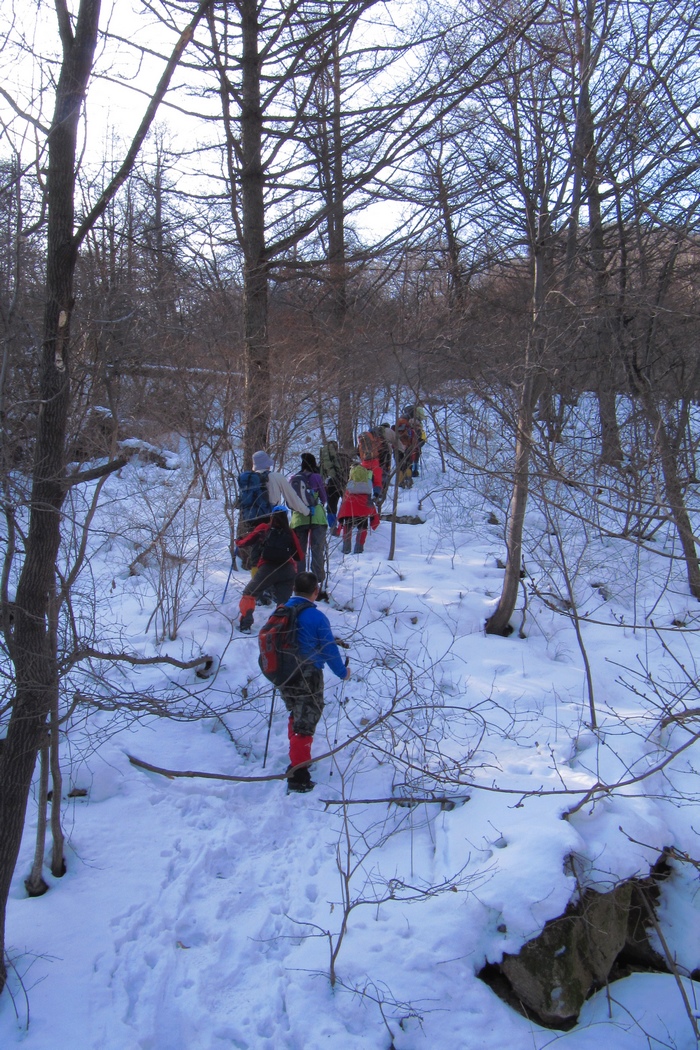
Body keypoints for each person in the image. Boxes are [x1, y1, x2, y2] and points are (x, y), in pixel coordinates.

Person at [280, 571, 350, 793]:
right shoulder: (316, 617)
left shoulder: (281, 611)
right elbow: (329, 649)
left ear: (293, 589)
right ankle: (298, 774)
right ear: (315, 592)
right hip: (308, 674)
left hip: (284, 674)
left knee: (296, 714)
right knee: (305, 723)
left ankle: (297, 758)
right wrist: (342, 672)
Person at [235, 450, 309, 572]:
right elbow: (293, 500)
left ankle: (257, 581)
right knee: (274, 551)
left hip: (252, 520)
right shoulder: (276, 477)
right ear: (267, 464)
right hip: (273, 520)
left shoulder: (249, 480)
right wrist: (306, 511)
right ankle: (274, 580)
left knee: (257, 552)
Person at [235, 507, 304, 632]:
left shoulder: (264, 528)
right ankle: (280, 628)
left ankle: (246, 625)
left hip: (267, 569)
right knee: (284, 602)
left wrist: (238, 541)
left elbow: (246, 542)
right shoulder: (289, 532)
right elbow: (299, 556)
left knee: (249, 593)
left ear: (272, 515)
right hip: (287, 570)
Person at [289, 452, 330, 599]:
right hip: (316, 518)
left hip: (299, 519)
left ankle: (298, 584)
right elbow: (324, 498)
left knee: (299, 552)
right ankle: (316, 584)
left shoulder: (294, 478)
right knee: (317, 550)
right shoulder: (316, 477)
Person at [336, 459, 380, 554]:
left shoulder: (350, 486)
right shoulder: (367, 486)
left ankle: (346, 548)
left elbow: (344, 502)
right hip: (363, 508)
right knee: (362, 527)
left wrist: (339, 522)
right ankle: (359, 549)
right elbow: (370, 503)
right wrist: (374, 520)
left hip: (349, 507)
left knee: (348, 526)